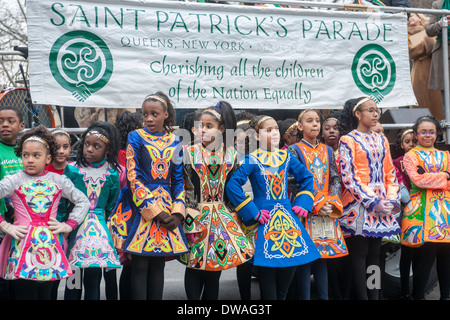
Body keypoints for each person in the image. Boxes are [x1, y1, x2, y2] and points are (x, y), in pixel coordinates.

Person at [226, 115, 321, 300]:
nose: (275, 133)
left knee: (285, 282)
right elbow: (232, 186)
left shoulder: (286, 156)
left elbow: (307, 178)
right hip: (264, 221)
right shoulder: (252, 159)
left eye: (276, 129)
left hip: (288, 220)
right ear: (257, 136)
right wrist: (253, 211)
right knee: (268, 284)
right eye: (268, 130)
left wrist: (303, 202)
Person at [108, 92, 188, 300]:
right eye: (145, 114)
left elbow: (178, 180)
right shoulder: (136, 137)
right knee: (140, 263)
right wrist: (156, 212)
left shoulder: (175, 141)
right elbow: (133, 177)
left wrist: (178, 213)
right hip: (141, 207)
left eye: (154, 114)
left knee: (158, 264)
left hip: (168, 208)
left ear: (166, 115)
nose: (149, 118)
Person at [0, 126, 89, 300]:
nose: (30, 160)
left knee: (47, 294)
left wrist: (68, 225)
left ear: (48, 158)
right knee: (25, 293)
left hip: (50, 247)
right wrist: (4, 225)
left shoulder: (58, 180)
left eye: (36, 155)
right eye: (25, 155)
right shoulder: (14, 180)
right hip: (21, 247)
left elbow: (83, 201)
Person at [182, 101, 253, 300]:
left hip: (223, 217)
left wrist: (235, 213)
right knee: (195, 266)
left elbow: (233, 188)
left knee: (214, 270)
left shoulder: (232, 154)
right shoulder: (189, 152)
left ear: (222, 129)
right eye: (201, 126)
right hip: (195, 216)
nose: (202, 130)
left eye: (209, 126)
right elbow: (183, 185)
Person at [339, 97, 401, 300]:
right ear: (358, 114)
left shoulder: (381, 139)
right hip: (360, 204)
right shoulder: (348, 140)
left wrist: (392, 199)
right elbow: (349, 176)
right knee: (359, 254)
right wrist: (372, 201)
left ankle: (373, 297)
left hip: (382, 204)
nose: (375, 114)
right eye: (370, 110)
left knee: (376, 254)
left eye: (377, 110)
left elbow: (389, 171)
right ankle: (363, 297)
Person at [287, 109, 347, 300]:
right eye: (309, 121)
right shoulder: (294, 150)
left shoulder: (328, 150)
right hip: (305, 210)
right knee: (305, 260)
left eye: (317, 121)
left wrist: (333, 201)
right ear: (300, 126)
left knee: (323, 259)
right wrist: (318, 203)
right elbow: (293, 181)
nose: (314, 124)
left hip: (327, 210)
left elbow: (336, 179)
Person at [63, 121, 122, 300]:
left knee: (92, 278)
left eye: (96, 146)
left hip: (100, 234)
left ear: (107, 150)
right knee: (73, 278)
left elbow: (112, 206)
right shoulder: (72, 170)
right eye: (86, 144)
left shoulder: (112, 173)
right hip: (74, 228)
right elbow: (64, 201)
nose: (89, 149)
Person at [401, 116, 450, 300]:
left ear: (437, 134)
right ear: (416, 134)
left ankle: (445, 296)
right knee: (424, 257)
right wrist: (445, 175)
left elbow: (426, 179)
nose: (427, 135)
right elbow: (418, 181)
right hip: (421, 211)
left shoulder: (446, 155)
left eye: (431, 131)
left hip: (445, 212)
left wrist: (431, 177)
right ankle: (418, 296)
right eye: (423, 132)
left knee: (446, 257)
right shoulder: (410, 155)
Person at [0, 105, 25, 299]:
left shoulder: (28, 152)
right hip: (3, 225)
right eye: (0, 122)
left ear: (21, 126)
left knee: (19, 279)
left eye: (10, 121)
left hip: (24, 229)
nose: (5, 125)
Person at [391, 128, 417, 300]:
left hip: (423, 209)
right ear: (401, 145)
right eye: (407, 142)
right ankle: (404, 291)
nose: (411, 145)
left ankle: (417, 290)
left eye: (414, 141)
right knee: (406, 251)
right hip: (405, 211)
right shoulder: (397, 162)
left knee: (421, 253)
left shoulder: (425, 160)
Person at [408, 12, 443, 120]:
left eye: (411, 16)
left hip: (436, 69)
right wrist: (427, 43)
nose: (409, 19)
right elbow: (411, 52)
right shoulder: (405, 35)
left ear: (419, 16)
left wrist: (424, 48)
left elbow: (439, 44)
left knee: (439, 105)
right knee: (420, 103)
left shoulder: (433, 28)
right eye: (407, 18)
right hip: (418, 73)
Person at [426, 0, 450, 117]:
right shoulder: (438, 4)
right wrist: (440, 24)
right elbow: (429, 29)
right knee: (447, 100)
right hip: (443, 53)